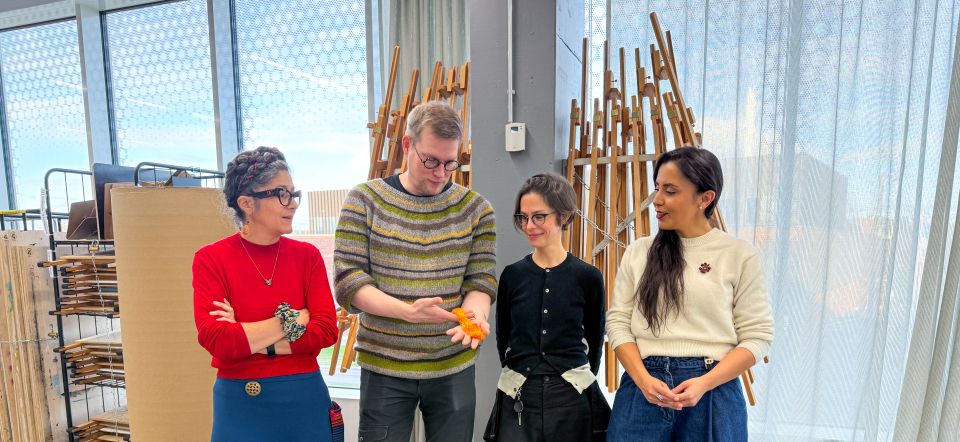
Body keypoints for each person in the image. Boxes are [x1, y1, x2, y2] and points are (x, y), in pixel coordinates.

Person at [334, 101, 498, 442]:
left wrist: (476, 314)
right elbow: (348, 281)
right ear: (407, 145)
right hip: (385, 365)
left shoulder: (476, 209)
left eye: (450, 163)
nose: (441, 173)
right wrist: (408, 313)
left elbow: (481, 279)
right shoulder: (364, 201)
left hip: (452, 364)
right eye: (431, 161)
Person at [605, 147, 774, 441]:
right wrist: (643, 380)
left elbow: (758, 337)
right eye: (657, 188)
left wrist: (705, 383)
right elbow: (618, 324)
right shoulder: (638, 252)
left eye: (670, 191)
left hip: (713, 393)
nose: (657, 200)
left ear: (705, 198)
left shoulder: (738, 255)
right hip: (643, 387)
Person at [193, 146, 339, 441]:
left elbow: (325, 331)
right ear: (247, 203)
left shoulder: (306, 256)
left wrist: (246, 336)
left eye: (293, 194)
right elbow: (217, 340)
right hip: (240, 403)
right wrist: (294, 319)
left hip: (304, 398)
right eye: (282, 194)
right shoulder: (211, 259)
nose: (293, 204)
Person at [485, 173, 607, 441]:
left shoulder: (588, 277)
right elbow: (503, 338)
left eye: (539, 216)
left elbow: (596, 343)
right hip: (518, 393)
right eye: (523, 217)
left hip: (573, 396)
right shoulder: (512, 275)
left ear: (563, 216)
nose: (530, 225)